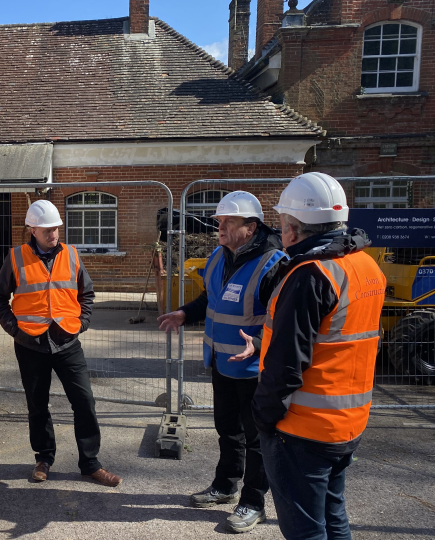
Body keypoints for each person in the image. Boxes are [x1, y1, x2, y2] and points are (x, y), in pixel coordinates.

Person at [253, 172, 385, 539]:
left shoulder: (310, 275)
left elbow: (286, 364)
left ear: (293, 229)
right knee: (332, 514)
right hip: (348, 422)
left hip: (303, 429)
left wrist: (263, 417)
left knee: (306, 531)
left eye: (282, 222)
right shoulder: (365, 266)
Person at [158, 191, 285, 533]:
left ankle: (253, 502)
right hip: (222, 362)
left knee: (256, 439)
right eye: (219, 221)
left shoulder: (274, 264)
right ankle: (226, 485)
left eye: (229, 222)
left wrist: (259, 344)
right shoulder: (218, 256)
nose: (221, 228)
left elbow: (285, 320)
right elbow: (210, 299)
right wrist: (185, 313)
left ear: (251, 228)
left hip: (254, 370)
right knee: (227, 430)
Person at [0, 199, 122, 487]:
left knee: (84, 401)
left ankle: (91, 464)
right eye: (47, 230)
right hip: (30, 343)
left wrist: (82, 322)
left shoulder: (71, 255)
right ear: (33, 230)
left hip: (66, 341)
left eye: (56, 229)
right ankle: (44, 459)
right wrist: (15, 330)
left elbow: (87, 293)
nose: (53, 234)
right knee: (37, 405)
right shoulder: (16, 257)